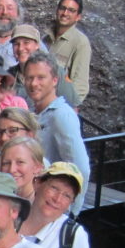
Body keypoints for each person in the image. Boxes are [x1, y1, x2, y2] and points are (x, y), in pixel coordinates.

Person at [24, 51, 90, 215]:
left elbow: (81, 168)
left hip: (54, 210)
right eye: (29, 78)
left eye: (40, 77)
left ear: (54, 80)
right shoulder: (34, 113)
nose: (34, 83)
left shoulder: (61, 115)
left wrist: (69, 214)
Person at [8, 24, 77, 107]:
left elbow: (72, 108)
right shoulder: (8, 75)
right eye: (16, 44)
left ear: (37, 45)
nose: (20, 48)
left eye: (26, 43)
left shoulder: (55, 71)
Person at [44, 0, 91, 105]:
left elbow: (80, 86)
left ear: (78, 16)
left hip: (60, 106)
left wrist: (70, 107)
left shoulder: (81, 43)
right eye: (62, 8)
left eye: (71, 10)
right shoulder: (45, 39)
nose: (65, 13)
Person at [0, 135, 45, 204]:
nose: (11, 170)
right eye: (6, 163)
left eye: (20, 162)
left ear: (37, 167)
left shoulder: (42, 205)